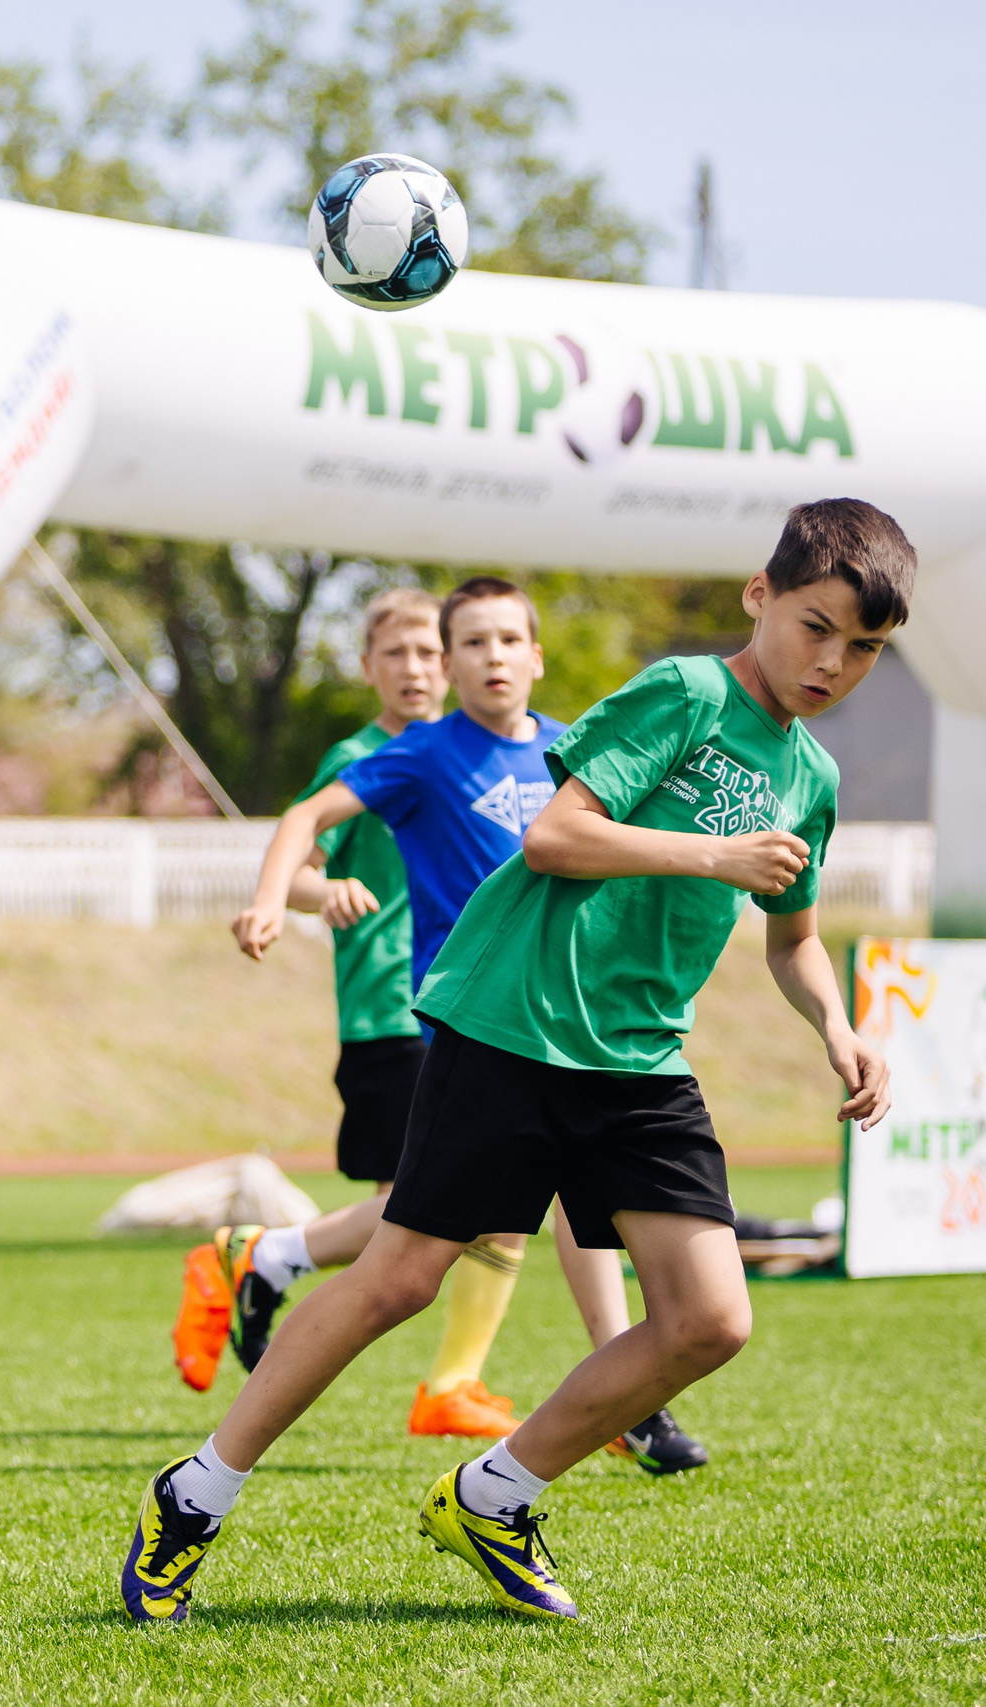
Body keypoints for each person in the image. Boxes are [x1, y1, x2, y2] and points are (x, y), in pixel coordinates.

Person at [124, 499, 908, 1624]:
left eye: (865, 648)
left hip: (640, 1061)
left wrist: (835, 1026)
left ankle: (493, 1495)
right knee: (397, 1279)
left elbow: (794, 941)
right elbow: (556, 835)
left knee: (709, 1321)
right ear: (759, 597)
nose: (832, 663)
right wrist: (713, 851)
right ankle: (192, 1495)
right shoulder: (685, 693)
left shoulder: (811, 779)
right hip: (511, 1028)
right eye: (815, 627)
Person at [187, 578, 709, 1467]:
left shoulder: (571, 751)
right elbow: (308, 818)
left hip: (574, 1021)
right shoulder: (423, 755)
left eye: (509, 640)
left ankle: (614, 1399)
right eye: (469, 643)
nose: (491, 657)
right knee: (435, 1234)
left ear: (538, 657)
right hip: (471, 1022)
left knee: (535, 1211)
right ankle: (281, 1283)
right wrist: (276, 898)